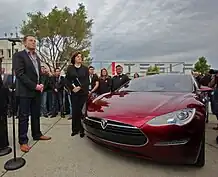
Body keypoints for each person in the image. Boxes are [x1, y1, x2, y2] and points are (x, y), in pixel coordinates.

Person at [13, 35, 51, 153]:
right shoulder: (19, 56)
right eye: (31, 40)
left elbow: (38, 74)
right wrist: (34, 85)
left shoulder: (37, 57)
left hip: (36, 92)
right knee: (24, 116)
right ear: (25, 43)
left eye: (35, 41)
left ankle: (37, 134)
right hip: (25, 92)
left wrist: (42, 83)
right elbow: (20, 74)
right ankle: (23, 141)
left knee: (36, 114)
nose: (34, 42)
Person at [65, 51, 89, 138]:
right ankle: (75, 130)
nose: (79, 58)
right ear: (74, 58)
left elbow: (87, 81)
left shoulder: (85, 69)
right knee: (75, 111)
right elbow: (66, 80)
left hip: (83, 93)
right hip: (74, 93)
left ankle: (82, 130)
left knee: (81, 112)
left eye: (80, 57)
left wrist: (80, 87)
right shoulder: (70, 68)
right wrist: (72, 88)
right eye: (77, 56)